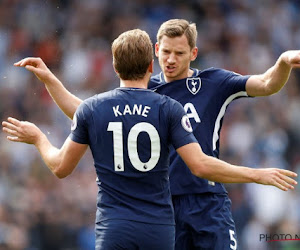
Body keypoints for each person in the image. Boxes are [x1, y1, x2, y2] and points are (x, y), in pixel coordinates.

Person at [12, 19, 300, 249]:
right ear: (155, 51)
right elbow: (89, 114)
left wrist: (284, 62)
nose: (171, 60)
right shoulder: (145, 90)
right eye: (165, 52)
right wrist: (51, 81)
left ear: (194, 53)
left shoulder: (215, 82)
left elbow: (265, 84)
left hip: (207, 202)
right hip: (163, 207)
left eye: (179, 53)